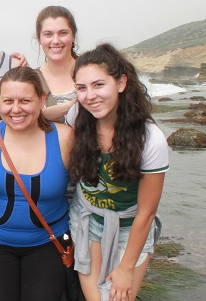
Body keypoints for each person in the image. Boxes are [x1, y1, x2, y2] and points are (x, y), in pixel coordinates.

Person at [67, 44, 169, 301]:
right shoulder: (78, 116)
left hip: (128, 227)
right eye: (82, 88)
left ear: (121, 83)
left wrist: (126, 268)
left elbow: (146, 213)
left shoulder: (150, 139)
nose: (90, 95)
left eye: (99, 85)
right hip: (87, 220)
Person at [0, 66, 73, 301]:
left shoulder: (65, 138)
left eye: (25, 100)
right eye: (8, 100)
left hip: (49, 242)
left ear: (42, 100)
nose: (16, 109)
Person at [35, 6, 78, 122]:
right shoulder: (31, 80)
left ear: (73, 35)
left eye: (63, 33)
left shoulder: (92, 72)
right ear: (39, 38)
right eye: (48, 34)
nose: (55, 41)